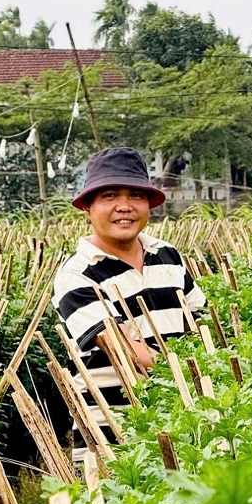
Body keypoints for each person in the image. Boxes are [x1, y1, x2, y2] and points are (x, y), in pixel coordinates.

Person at [53, 147, 206, 408]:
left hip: (182, 412)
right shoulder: (77, 274)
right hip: (113, 423)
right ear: (88, 207)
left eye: (136, 195)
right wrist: (197, 374)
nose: (124, 207)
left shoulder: (167, 255)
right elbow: (126, 350)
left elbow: (201, 325)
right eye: (110, 196)